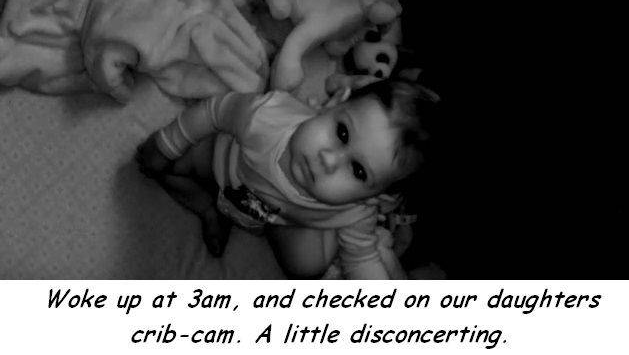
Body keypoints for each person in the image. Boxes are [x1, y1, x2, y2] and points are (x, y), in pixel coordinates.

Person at [136, 77, 439, 279]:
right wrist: (167, 143)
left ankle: (254, 223)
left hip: (282, 220)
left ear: (376, 197)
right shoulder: (266, 116)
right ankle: (206, 208)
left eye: (358, 170)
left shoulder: (357, 212)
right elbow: (215, 111)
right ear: (336, 102)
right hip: (222, 166)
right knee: (164, 166)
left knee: (308, 267)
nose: (328, 159)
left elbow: (362, 259)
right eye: (342, 132)